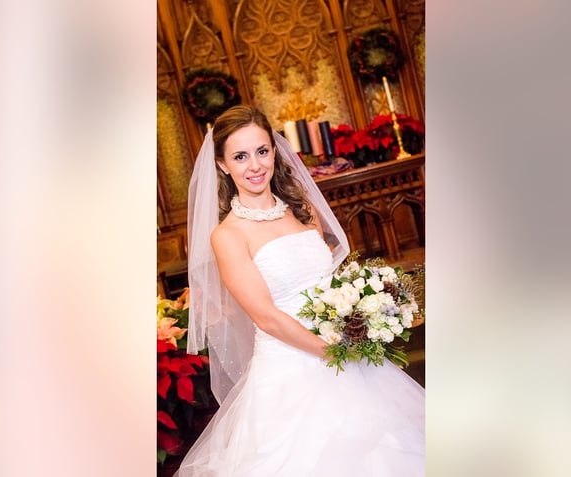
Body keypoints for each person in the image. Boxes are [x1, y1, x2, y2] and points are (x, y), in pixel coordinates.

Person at [176, 105, 425, 476]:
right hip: (292, 371)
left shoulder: (302, 208)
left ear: (275, 151)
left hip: (349, 355)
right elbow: (267, 317)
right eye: (240, 156)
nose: (255, 165)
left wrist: (361, 312)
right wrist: (334, 350)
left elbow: (329, 280)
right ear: (223, 166)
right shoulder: (227, 236)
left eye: (262, 151)